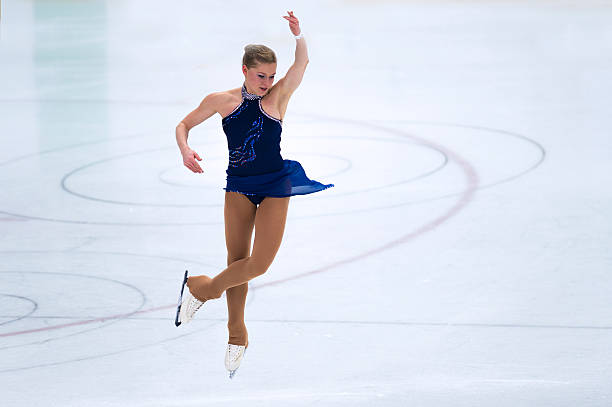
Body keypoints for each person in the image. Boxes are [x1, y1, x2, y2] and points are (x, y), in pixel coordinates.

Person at [174, 11, 333, 378]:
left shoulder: (277, 98)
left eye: (271, 76)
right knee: (237, 260)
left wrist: (299, 34)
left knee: (258, 264)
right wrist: (185, 149)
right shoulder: (221, 100)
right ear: (244, 70)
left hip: (276, 184)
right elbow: (183, 124)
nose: (267, 82)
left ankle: (201, 289)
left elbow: (303, 63)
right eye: (261, 75)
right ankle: (236, 335)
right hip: (239, 186)